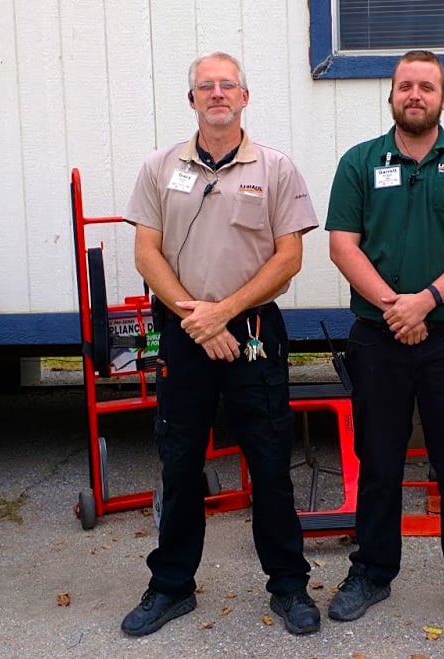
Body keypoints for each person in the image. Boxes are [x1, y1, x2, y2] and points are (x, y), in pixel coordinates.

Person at [120, 51, 320, 637]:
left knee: (270, 462)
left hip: (252, 331)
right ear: (191, 100)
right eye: (205, 87)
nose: (216, 94)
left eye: (227, 85)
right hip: (186, 333)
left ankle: (289, 586)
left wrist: (224, 314)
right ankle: (171, 586)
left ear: (244, 97)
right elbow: (146, 252)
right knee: (180, 462)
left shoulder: (276, 168)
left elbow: (290, 257)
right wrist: (197, 319)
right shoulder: (159, 167)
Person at [325, 50, 444, 631]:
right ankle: (371, 572)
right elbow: (343, 245)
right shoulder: (358, 162)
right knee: (378, 460)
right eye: (406, 86)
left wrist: (425, 300)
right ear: (392, 95)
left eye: (427, 86)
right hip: (378, 338)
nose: (415, 95)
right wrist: (394, 308)